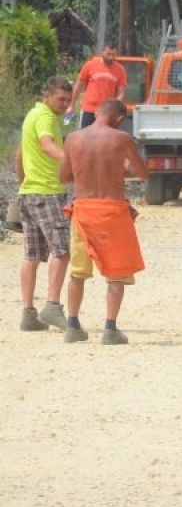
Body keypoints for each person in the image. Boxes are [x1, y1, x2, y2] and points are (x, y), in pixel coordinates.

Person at [59, 98, 149, 345]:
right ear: (119, 118)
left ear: (97, 113)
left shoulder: (73, 139)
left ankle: (72, 326)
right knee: (116, 274)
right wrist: (118, 170)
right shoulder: (122, 139)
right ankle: (110, 329)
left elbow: (64, 176)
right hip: (113, 212)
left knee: (77, 272)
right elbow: (142, 173)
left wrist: (85, 173)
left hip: (82, 210)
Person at [14, 77, 74, 332]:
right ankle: (52, 306)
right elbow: (47, 145)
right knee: (62, 251)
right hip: (48, 193)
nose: (65, 104)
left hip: (29, 193)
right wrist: (73, 161)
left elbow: (20, 153)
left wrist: (23, 183)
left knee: (32, 255)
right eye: (61, 99)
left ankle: (28, 314)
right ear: (46, 95)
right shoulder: (46, 118)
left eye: (68, 100)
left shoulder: (32, 115)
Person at [71, 44, 128, 130]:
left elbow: (121, 93)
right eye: (108, 54)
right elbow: (78, 86)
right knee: (85, 134)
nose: (110, 57)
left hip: (107, 112)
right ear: (102, 52)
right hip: (89, 109)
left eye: (113, 55)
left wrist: (116, 110)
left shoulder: (120, 69)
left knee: (105, 135)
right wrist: (71, 105)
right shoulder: (90, 65)